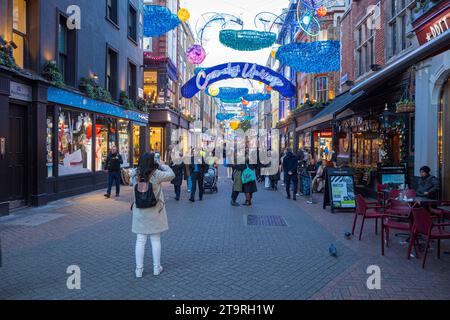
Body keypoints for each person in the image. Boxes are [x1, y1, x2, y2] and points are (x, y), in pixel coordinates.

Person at [132, 153, 175, 278]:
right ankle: (156, 268)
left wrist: (135, 170)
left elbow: (129, 181)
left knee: (140, 241)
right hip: (155, 211)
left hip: (140, 212)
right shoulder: (156, 174)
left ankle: (138, 270)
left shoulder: (136, 175)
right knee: (155, 239)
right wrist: (163, 165)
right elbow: (172, 175)